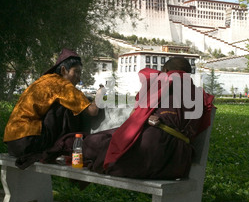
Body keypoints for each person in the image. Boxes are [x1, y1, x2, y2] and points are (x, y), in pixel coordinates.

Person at [43, 57, 214, 180]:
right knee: (104, 140)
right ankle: (66, 146)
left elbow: (137, 112)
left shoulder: (164, 83)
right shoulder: (199, 95)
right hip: (179, 161)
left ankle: (61, 146)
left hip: (154, 153)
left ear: (167, 72)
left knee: (99, 142)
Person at [4, 48, 101, 169]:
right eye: (76, 72)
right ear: (64, 70)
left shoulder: (44, 80)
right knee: (66, 107)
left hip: (13, 143)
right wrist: (100, 94)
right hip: (28, 141)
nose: (78, 78)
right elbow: (93, 111)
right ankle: (67, 147)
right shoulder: (62, 85)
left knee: (67, 104)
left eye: (80, 73)